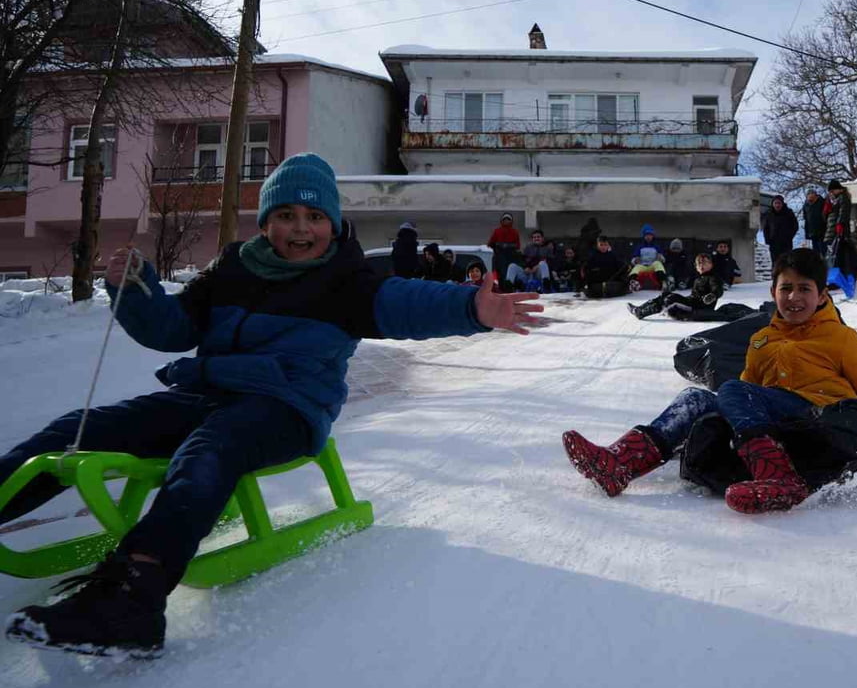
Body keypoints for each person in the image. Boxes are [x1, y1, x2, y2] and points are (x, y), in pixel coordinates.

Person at [0, 153, 544, 659]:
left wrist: (471, 307)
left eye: (314, 216)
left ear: (332, 223)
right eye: (286, 215)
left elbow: (404, 302)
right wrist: (138, 289)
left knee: (210, 450)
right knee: (79, 428)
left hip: (286, 407)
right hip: (204, 393)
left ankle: (131, 601)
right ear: (265, 223)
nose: (300, 229)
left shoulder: (347, 282)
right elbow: (174, 329)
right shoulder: (232, 269)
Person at [562, 247, 857, 514]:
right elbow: (743, 395)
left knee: (733, 390)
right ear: (773, 291)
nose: (794, 297)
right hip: (775, 422)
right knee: (696, 398)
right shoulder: (761, 340)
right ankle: (620, 465)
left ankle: (779, 477)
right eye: (786, 288)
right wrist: (687, 431)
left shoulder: (841, 338)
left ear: (822, 295)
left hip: (820, 417)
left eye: (805, 289)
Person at [628, 253, 723, 320]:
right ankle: (639, 309)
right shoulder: (699, 278)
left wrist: (713, 295)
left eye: (705, 263)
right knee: (665, 294)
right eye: (699, 263)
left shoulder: (713, 277)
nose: (701, 265)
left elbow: (718, 289)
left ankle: (641, 312)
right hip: (692, 302)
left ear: (711, 264)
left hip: (700, 308)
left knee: (670, 299)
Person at [823, 178, 857, 300]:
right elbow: (828, 218)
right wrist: (827, 209)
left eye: (832, 191)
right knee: (835, 259)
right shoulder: (833, 201)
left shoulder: (843, 197)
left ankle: (849, 282)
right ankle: (840, 282)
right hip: (832, 233)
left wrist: (840, 224)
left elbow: (843, 212)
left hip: (841, 233)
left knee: (844, 258)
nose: (831, 193)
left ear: (838, 189)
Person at [762, 195, 799, 266]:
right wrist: (767, 240)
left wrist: (789, 236)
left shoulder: (789, 213)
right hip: (773, 243)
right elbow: (766, 228)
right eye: (775, 203)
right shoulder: (769, 214)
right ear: (773, 204)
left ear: (782, 204)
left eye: (779, 203)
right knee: (775, 263)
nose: (777, 205)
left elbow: (795, 226)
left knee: (786, 262)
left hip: (786, 243)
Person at [487, 212, 522, 290]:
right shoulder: (497, 231)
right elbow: (490, 243)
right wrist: (498, 246)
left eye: (508, 219)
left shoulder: (515, 232)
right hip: (499, 256)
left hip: (510, 256)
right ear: (502, 221)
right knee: (500, 273)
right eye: (505, 219)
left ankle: (509, 288)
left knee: (509, 273)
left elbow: (518, 245)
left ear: (511, 221)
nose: (506, 221)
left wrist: (509, 246)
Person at [627, 224, 666, 290]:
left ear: (653, 236)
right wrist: (635, 260)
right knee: (637, 267)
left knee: (658, 264)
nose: (648, 237)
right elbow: (634, 258)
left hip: (653, 266)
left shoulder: (656, 246)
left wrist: (661, 258)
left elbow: (663, 258)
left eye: (650, 235)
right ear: (644, 236)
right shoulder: (639, 246)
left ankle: (663, 281)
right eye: (646, 235)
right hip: (643, 265)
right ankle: (632, 282)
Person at [803, 189, 826, 260]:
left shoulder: (822, 203)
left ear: (816, 196)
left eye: (812, 195)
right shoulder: (806, 205)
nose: (810, 198)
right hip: (812, 233)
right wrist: (807, 233)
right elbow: (806, 220)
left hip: (822, 232)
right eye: (809, 196)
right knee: (815, 253)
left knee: (823, 251)